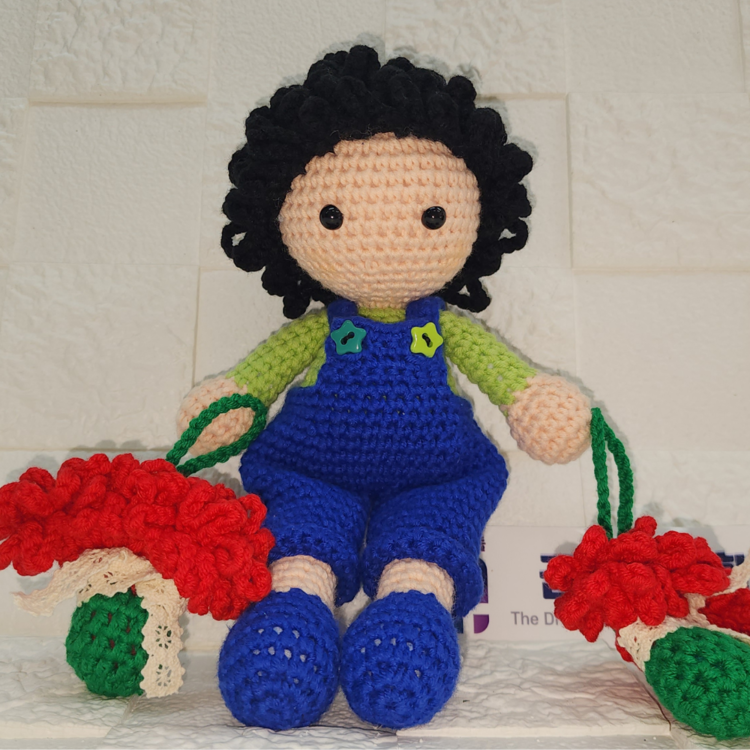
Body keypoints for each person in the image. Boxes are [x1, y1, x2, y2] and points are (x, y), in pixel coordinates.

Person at [178, 44, 591, 731]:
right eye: (333, 217)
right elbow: (254, 381)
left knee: (424, 544)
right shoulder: (317, 330)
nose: (382, 239)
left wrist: (534, 401)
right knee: (299, 543)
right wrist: (231, 404)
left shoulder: (447, 327)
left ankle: (409, 613)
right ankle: (292, 615)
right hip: (312, 468)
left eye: (430, 217)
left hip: (436, 473)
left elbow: (510, 380)